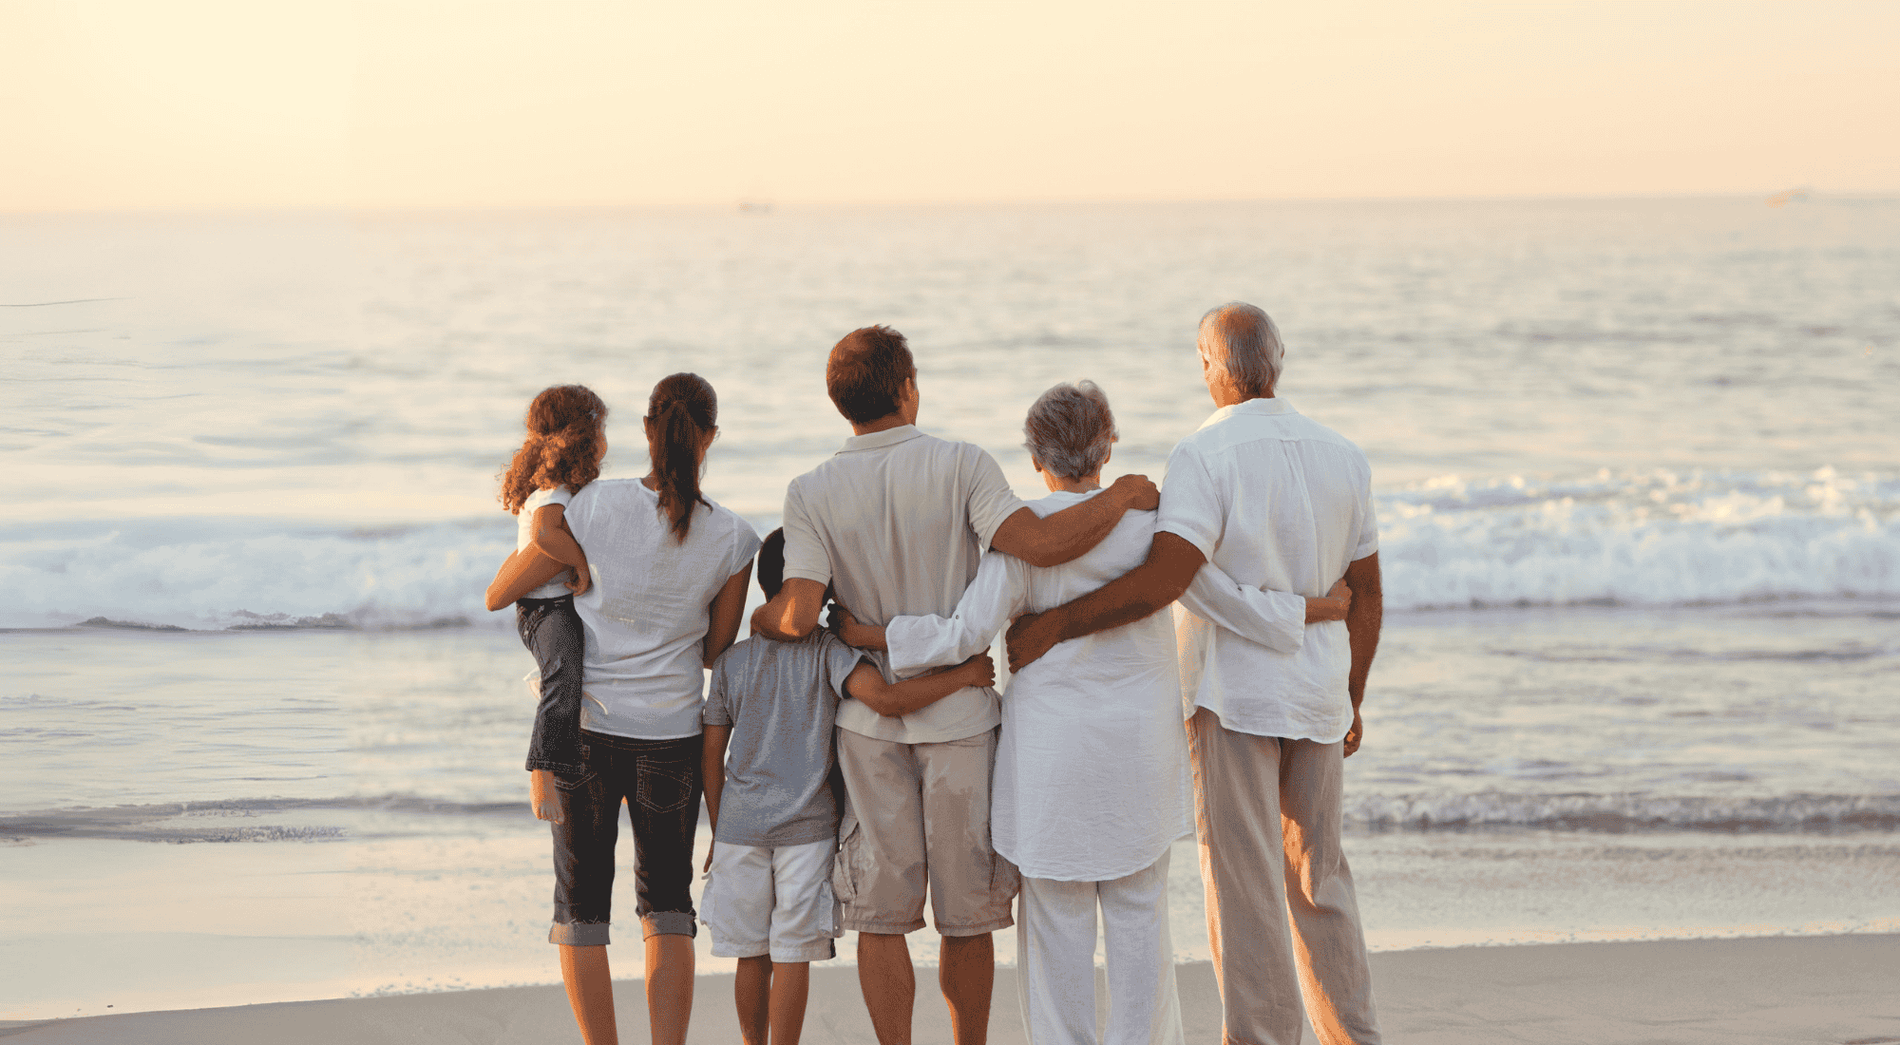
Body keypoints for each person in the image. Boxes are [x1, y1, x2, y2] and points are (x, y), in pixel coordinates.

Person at [838, 381, 1347, 1045]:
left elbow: (961, 633)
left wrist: (869, 635)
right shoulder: (1152, 529)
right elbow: (1228, 601)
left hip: (1053, 764)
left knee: (1056, 939)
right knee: (1142, 927)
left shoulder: (1022, 535)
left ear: (1034, 457)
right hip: (1138, 755)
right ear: (1108, 448)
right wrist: (1314, 609)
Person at [750, 326, 1160, 1045]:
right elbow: (1040, 543)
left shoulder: (808, 490)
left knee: (881, 915)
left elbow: (801, 607)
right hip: (962, 722)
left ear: (838, 402)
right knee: (966, 915)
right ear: (908, 387)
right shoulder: (962, 463)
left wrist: (757, 618)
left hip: (869, 729)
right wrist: (1123, 497)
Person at [1007, 305, 1385, 1045]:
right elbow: (1366, 591)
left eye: (1202, 362)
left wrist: (1054, 624)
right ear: (1275, 362)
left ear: (1217, 368)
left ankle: (1262, 1038)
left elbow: (1166, 579)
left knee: (1243, 884)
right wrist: (1352, 695)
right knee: (1322, 879)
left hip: (1235, 696)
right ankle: (1354, 1036)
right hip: (1316, 696)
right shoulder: (1345, 454)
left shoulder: (1203, 455)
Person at [489, 372, 760, 1045]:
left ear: (645, 430)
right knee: (667, 906)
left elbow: (517, 577)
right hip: (672, 734)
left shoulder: (593, 505)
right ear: (711, 438)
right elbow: (715, 649)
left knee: (580, 909)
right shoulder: (732, 537)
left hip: (583, 729)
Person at [700, 528, 996, 1045]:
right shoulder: (829, 653)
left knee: (751, 953)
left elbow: (711, 755)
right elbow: (883, 699)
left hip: (738, 829)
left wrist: (720, 824)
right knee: (792, 952)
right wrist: (965, 675)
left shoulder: (730, 664)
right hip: (808, 831)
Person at [485, 384, 606, 824]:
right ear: (583, 436)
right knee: (565, 673)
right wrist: (582, 565)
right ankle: (542, 770)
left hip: (557, 604)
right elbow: (544, 537)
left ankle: (595, 765)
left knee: (586, 677)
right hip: (544, 608)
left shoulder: (564, 488)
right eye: (601, 427)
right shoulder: (554, 491)